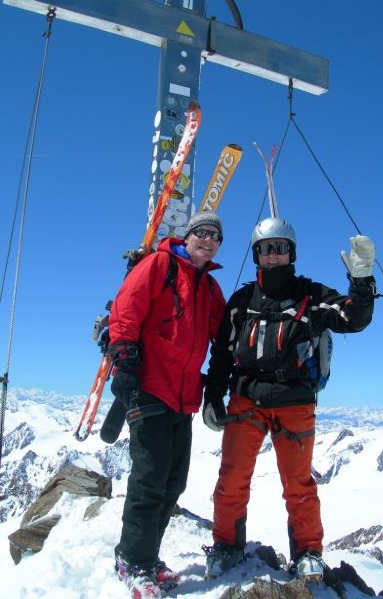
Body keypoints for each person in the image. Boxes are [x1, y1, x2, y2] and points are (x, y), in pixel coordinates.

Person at [202, 216, 377, 581]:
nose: (273, 255)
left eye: (280, 248)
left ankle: (308, 552)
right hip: (246, 398)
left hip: (294, 401)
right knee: (232, 478)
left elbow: (352, 319)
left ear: (291, 253)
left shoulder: (310, 296)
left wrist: (361, 282)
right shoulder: (241, 300)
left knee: (298, 485)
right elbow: (221, 352)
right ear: (256, 255)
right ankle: (227, 544)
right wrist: (213, 395)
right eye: (266, 249)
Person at [107, 211, 226, 599]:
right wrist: (123, 362)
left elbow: (224, 336)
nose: (208, 240)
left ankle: (148, 557)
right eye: (202, 233)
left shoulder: (210, 289)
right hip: (149, 388)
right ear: (188, 237)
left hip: (184, 399)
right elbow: (126, 309)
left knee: (173, 481)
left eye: (216, 237)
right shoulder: (160, 265)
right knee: (149, 479)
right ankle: (131, 559)